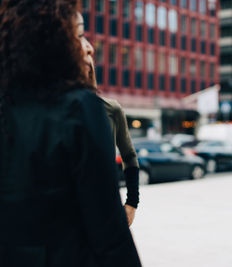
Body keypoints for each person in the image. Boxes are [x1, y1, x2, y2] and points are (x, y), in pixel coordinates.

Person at [0, 0, 141, 266]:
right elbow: (110, 234)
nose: (88, 46)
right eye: (79, 34)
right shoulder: (80, 108)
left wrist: (132, 201)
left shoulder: (8, 107)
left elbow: (130, 157)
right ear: (54, 41)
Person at [80, 15, 140, 225]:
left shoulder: (110, 109)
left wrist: (132, 202)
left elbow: (130, 157)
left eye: (89, 70)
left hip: (106, 207)